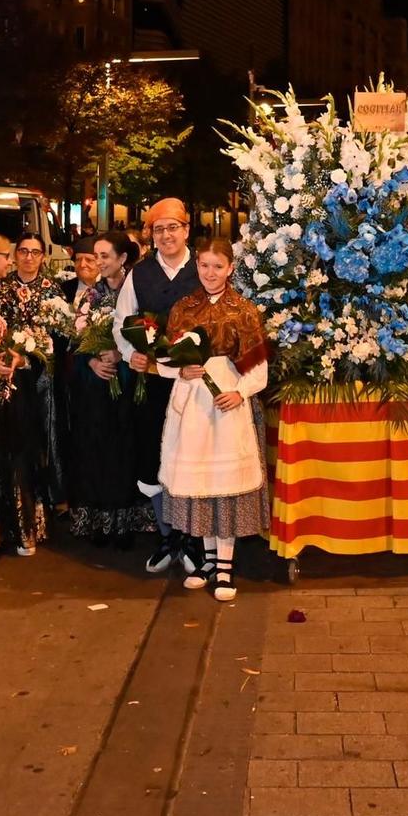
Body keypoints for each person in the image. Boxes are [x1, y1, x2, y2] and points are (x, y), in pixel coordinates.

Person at [157, 238, 271, 601]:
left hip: (227, 404)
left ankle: (225, 565)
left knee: (225, 485)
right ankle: (206, 560)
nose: (210, 273)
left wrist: (241, 392)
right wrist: (180, 371)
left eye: (218, 266)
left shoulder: (244, 310)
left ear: (231, 268)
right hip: (192, 406)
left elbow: (258, 367)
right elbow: (164, 359)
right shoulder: (183, 308)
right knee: (200, 483)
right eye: (204, 265)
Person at [114, 198, 204, 577]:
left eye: (173, 227)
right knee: (155, 458)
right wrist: (129, 353)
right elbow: (122, 321)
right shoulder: (140, 273)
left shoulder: (204, 267)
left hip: (194, 385)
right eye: (158, 229)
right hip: (151, 383)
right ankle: (168, 535)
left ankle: (195, 540)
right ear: (151, 235)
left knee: (194, 458)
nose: (166, 235)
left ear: (186, 230)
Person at [65, 231, 154, 547]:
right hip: (97, 388)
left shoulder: (138, 291)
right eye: (95, 256)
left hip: (129, 384)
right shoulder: (89, 297)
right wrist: (91, 361)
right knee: (96, 449)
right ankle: (99, 520)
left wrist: (121, 353)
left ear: (122, 259)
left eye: (104, 256)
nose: (98, 262)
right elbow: (75, 342)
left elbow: (150, 332)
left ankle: (128, 522)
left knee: (127, 449)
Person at [0, 232, 57, 556]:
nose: (28, 257)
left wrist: (31, 357)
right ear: (14, 255)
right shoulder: (2, 287)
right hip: (1, 379)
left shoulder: (52, 292)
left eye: (35, 252)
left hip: (36, 386)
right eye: (22, 251)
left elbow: (56, 339)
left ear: (43, 257)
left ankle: (28, 528)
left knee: (29, 451)